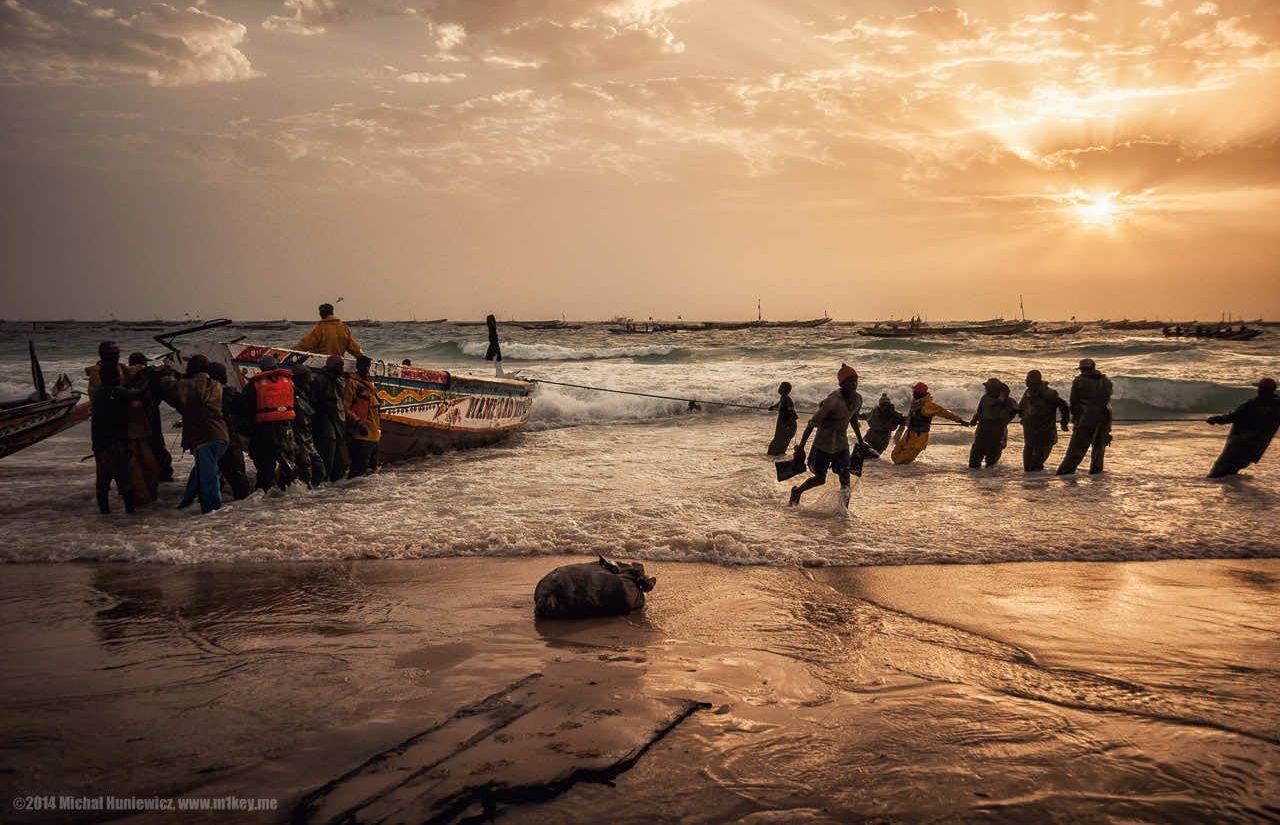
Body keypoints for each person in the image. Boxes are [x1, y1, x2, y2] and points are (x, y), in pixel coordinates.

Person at [789, 364, 865, 506]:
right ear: (842, 384)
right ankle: (797, 491)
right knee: (820, 479)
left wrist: (861, 442)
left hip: (841, 445)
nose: (854, 384)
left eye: (856, 380)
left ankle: (843, 511)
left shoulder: (858, 400)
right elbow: (811, 424)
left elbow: (854, 420)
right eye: (850, 381)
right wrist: (801, 448)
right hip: (823, 444)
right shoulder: (832, 401)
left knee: (845, 479)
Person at [161, 354, 228, 514]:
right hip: (221, 436)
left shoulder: (187, 385)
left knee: (208, 479)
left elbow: (170, 391)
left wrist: (167, 375)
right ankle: (186, 503)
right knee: (201, 472)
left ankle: (213, 514)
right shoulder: (216, 384)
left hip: (204, 437)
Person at [1206, 378, 1280, 478]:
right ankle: (1241, 492)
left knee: (1217, 475)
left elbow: (1232, 417)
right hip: (1256, 449)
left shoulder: (1252, 404)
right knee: (1231, 474)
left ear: (1260, 390)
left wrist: (1214, 419)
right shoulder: (1277, 406)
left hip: (1238, 445)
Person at [90, 364, 139, 514]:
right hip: (118, 444)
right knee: (125, 481)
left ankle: (104, 513)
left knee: (102, 483)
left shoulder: (97, 394)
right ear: (116, 377)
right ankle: (130, 513)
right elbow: (139, 394)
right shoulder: (120, 392)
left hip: (100, 445)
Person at [245, 355, 297, 492]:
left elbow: (247, 407)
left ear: (261, 368)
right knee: (288, 463)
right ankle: (289, 490)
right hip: (286, 428)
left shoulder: (255, 384)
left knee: (265, 466)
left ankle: (265, 495)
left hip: (264, 429)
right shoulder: (289, 381)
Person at [1056, 358, 1113, 475]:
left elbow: (1074, 403)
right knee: (1099, 451)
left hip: (1086, 420)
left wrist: (1074, 420)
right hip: (1104, 419)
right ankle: (1096, 478)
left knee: (1075, 451)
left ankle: (1064, 474)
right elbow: (1106, 400)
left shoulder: (1079, 381)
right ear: (1094, 367)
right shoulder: (1106, 381)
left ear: (1082, 369)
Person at [891, 382, 968, 465]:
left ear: (920, 393)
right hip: (908, 435)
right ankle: (908, 468)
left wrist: (960, 421)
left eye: (915, 391)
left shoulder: (929, 406)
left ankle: (909, 475)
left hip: (919, 439)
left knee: (900, 461)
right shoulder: (915, 402)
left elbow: (945, 413)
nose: (913, 393)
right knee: (894, 456)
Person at [207, 362, 253, 500]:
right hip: (229, 438)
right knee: (238, 478)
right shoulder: (231, 394)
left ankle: (211, 509)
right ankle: (241, 510)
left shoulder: (203, 394)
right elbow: (247, 413)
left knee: (211, 475)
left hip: (208, 439)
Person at [127, 352, 175, 482]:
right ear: (144, 363)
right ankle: (164, 475)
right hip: (150, 413)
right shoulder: (150, 373)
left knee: (138, 448)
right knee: (157, 445)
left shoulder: (125, 376)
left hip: (130, 419)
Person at [1017, 370, 1070, 471]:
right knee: (1027, 469)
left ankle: (1039, 483)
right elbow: (1021, 407)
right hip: (1030, 435)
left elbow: (1064, 406)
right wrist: (1023, 417)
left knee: (1035, 466)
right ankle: (1034, 483)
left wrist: (1064, 422)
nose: (1026, 380)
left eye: (1028, 378)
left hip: (1044, 435)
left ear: (1035, 380)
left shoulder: (1049, 394)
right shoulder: (1028, 392)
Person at [312, 354, 349, 481]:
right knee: (327, 459)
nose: (343, 368)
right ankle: (323, 489)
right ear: (335, 366)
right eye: (341, 366)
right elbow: (315, 403)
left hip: (338, 423)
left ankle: (332, 490)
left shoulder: (339, 380)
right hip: (326, 424)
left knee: (341, 462)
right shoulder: (321, 380)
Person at [289, 364, 327, 487]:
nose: (309, 380)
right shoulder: (291, 395)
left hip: (307, 438)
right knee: (305, 469)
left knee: (319, 468)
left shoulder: (305, 393)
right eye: (306, 377)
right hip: (297, 439)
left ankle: (312, 495)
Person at [968, 377, 1018, 469]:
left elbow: (1016, 410)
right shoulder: (985, 398)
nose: (985, 389)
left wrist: (1006, 420)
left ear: (993, 389)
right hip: (982, 434)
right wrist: (974, 420)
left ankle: (991, 481)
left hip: (997, 435)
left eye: (987, 387)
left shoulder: (1008, 401)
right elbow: (979, 412)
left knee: (991, 465)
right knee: (973, 464)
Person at [345, 355, 382, 477]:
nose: (366, 369)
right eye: (364, 366)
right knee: (358, 472)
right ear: (358, 366)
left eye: (368, 366)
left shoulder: (370, 385)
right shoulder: (352, 383)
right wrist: (358, 423)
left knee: (372, 473)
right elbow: (345, 407)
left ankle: (366, 496)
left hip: (374, 435)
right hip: (362, 435)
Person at [295, 303, 364, 357]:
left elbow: (305, 344)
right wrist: (362, 357)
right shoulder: (344, 328)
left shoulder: (320, 328)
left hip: (320, 363)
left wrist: (290, 352)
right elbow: (353, 347)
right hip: (337, 364)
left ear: (321, 314)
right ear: (332, 312)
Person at [767, 382, 798, 456]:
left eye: (781, 387)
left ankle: (780, 461)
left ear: (786, 390)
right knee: (773, 448)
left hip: (787, 426)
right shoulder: (783, 398)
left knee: (777, 449)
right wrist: (773, 407)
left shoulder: (787, 399)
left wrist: (788, 423)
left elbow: (791, 411)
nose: (779, 388)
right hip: (783, 425)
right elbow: (779, 404)